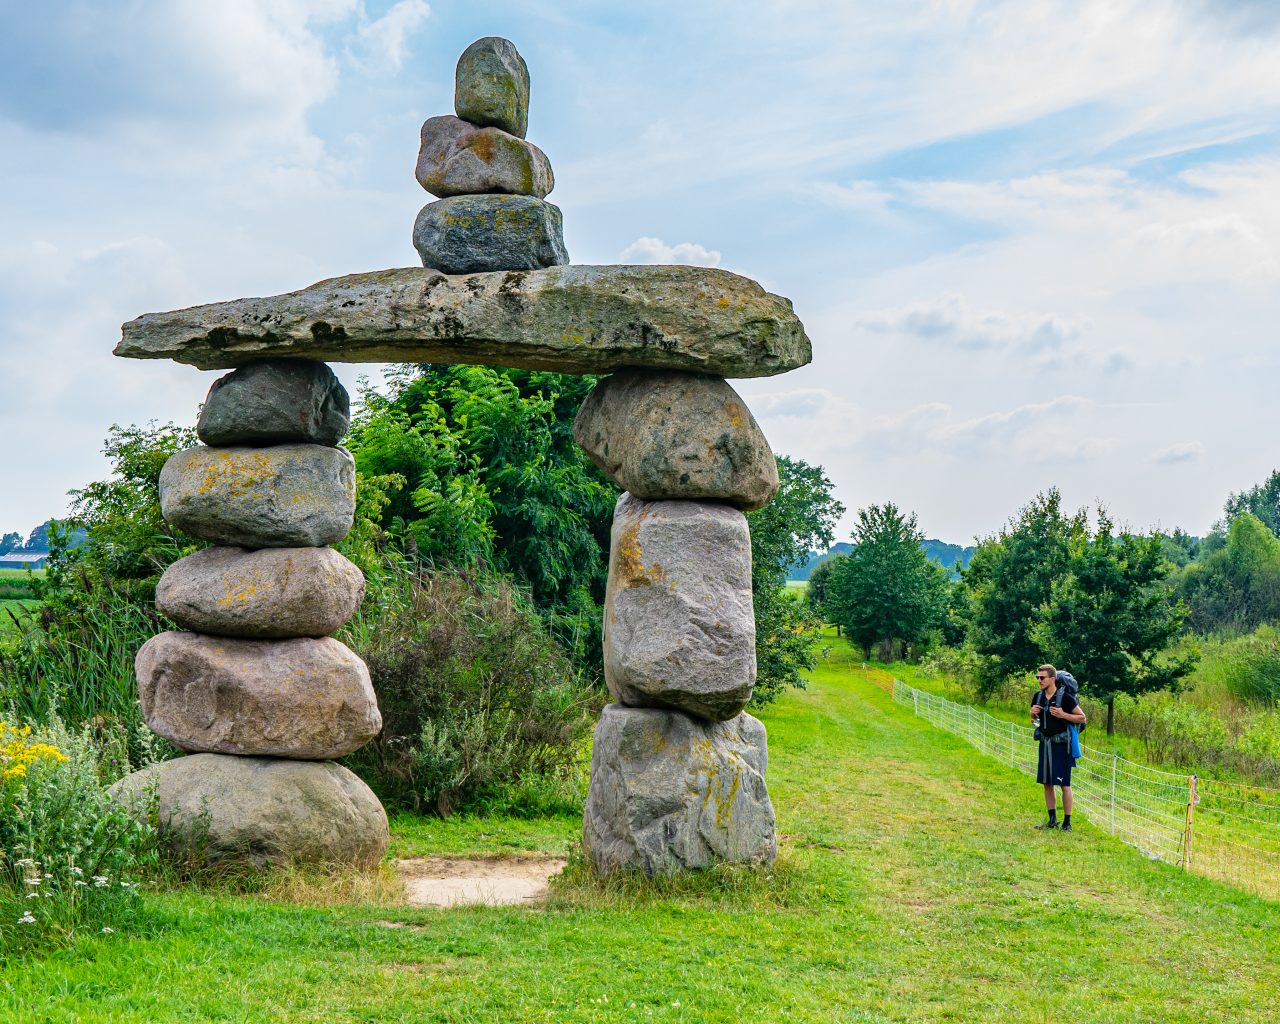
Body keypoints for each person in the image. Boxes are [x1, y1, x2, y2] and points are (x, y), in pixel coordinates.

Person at [1030, 663, 1086, 831]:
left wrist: (1063, 715)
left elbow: (1082, 717)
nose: (1039, 680)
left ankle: (1067, 823)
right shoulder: (1037, 697)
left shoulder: (1066, 698)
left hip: (1061, 746)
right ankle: (1052, 820)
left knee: (1064, 784)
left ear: (1052, 679)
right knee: (1047, 783)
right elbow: (1034, 721)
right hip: (1044, 743)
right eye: (1037, 677)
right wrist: (1032, 713)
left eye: (1042, 678)